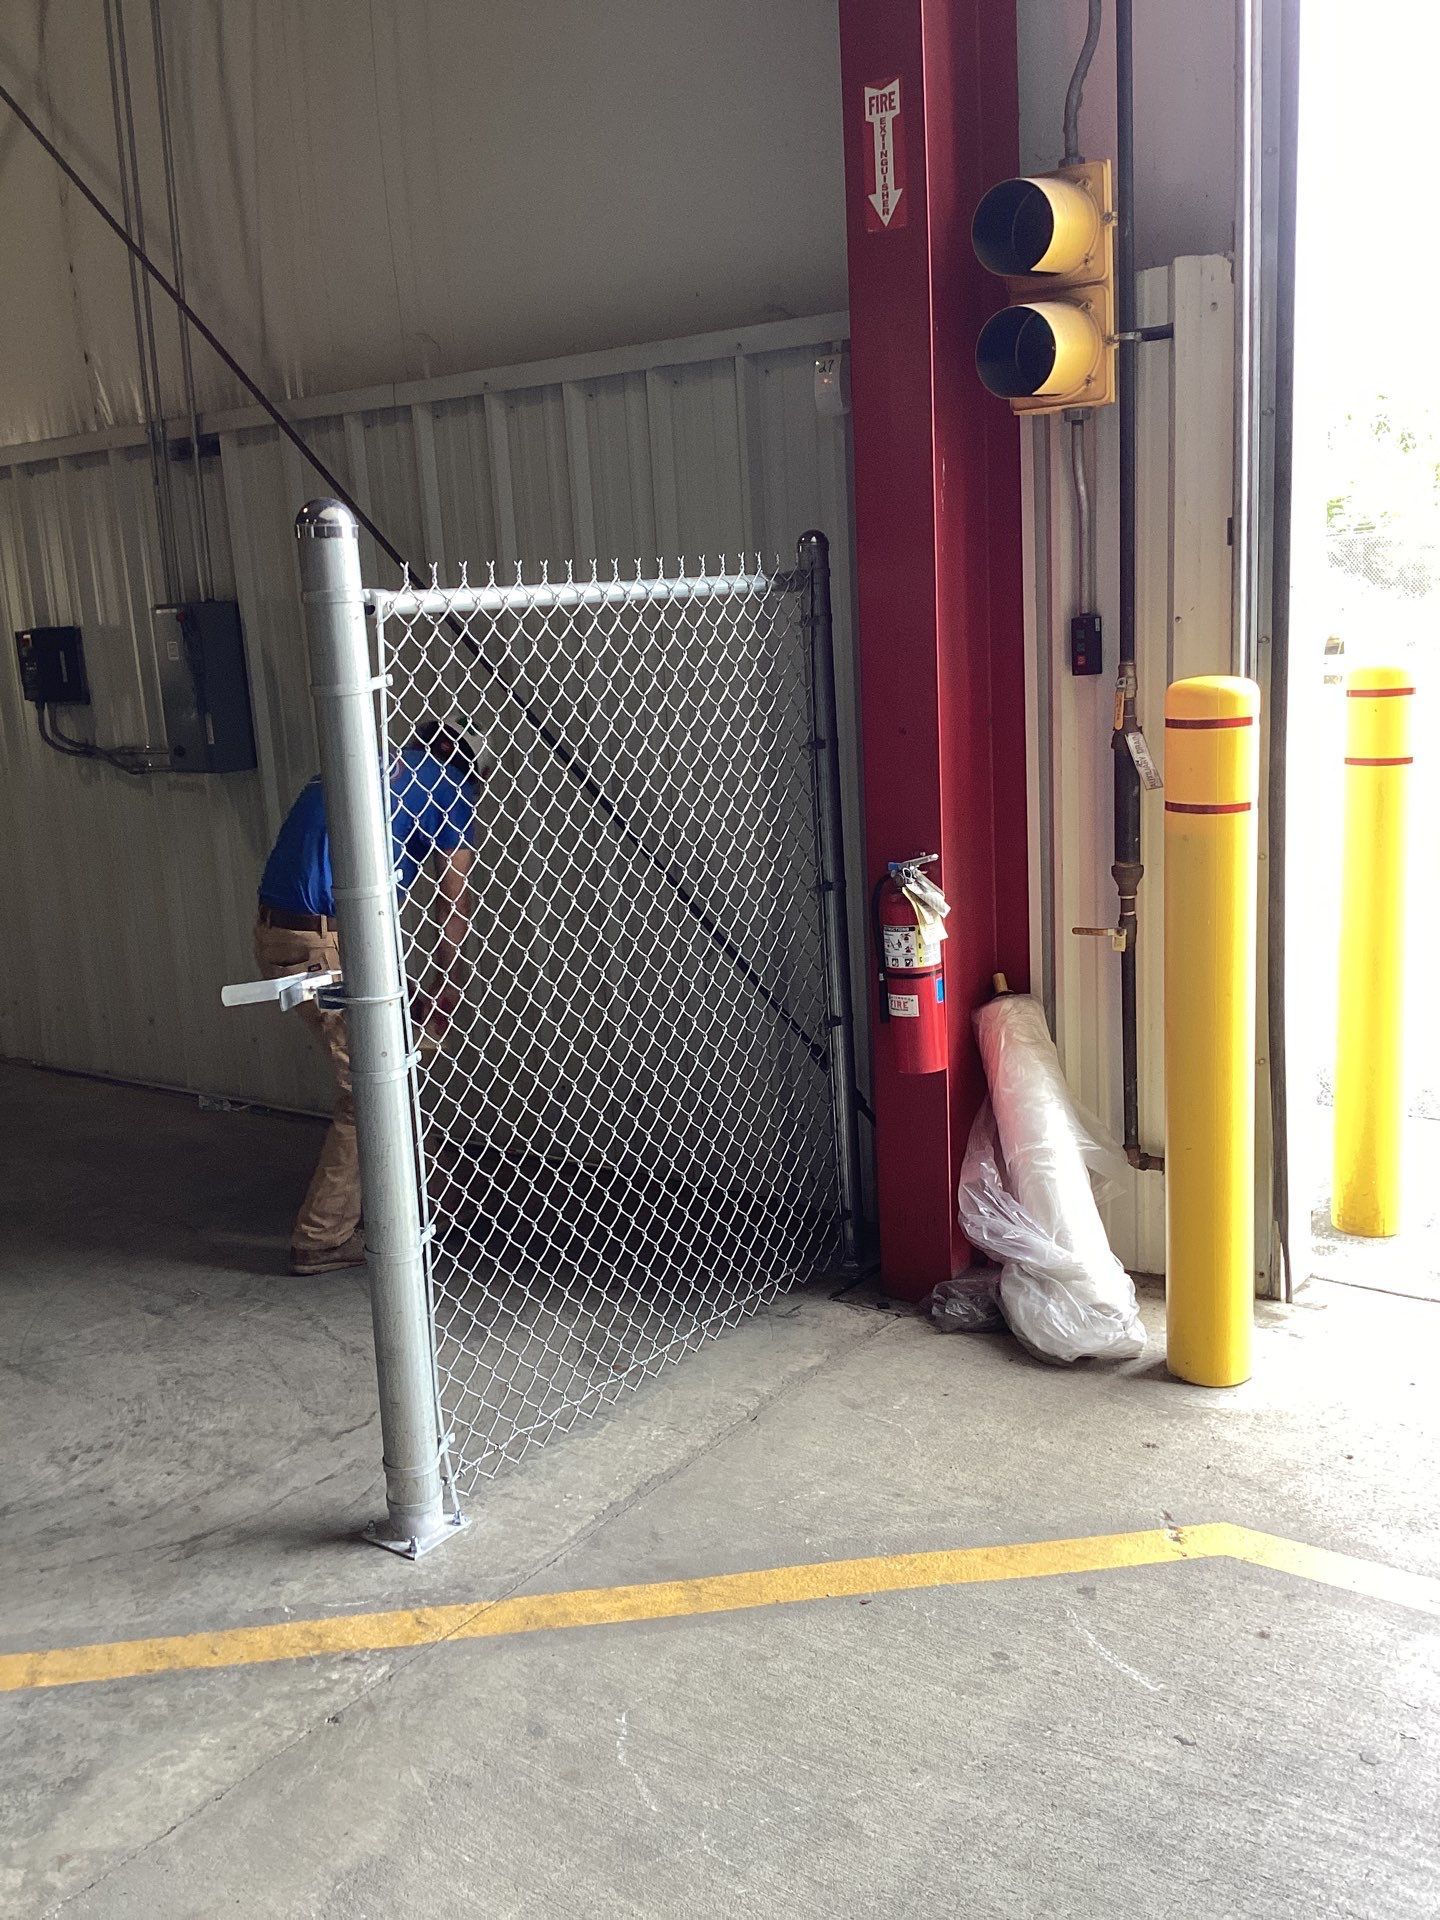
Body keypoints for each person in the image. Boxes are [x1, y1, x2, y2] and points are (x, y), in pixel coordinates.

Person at [254, 720, 486, 1274]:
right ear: (467, 771)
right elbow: (455, 902)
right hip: (323, 948)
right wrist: (446, 985)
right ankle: (322, 1238)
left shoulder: (354, 765)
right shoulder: (447, 786)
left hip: (287, 934)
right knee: (371, 1087)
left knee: (389, 1064)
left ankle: (399, 1200)